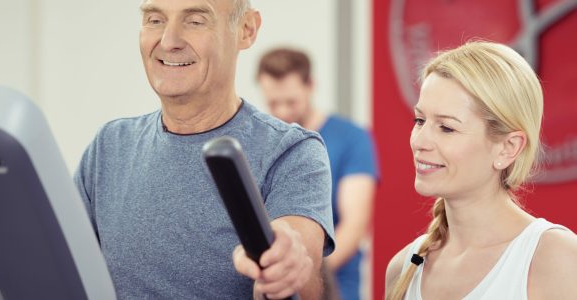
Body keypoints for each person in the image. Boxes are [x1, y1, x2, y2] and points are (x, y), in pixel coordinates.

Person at [73, 1, 336, 299]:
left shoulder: (291, 151)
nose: (169, 41)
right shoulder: (109, 147)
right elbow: (59, 265)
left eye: (195, 21)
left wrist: (288, 258)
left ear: (246, 30)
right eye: (155, 19)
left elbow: (303, 258)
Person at [385, 41, 577, 300]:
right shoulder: (403, 268)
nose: (419, 141)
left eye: (446, 128)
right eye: (420, 120)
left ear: (508, 148)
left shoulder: (556, 259)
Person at [257, 48, 379, 300]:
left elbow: (355, 225)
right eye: (273, 103)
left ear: (311, 86)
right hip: (272, 285)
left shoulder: (351, 138)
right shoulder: (261, 143)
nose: (281, 112)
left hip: (333, 286)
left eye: (291, 102)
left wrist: (301, 275)